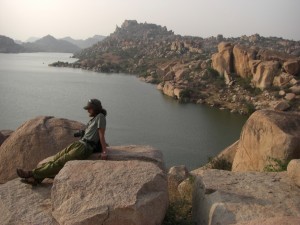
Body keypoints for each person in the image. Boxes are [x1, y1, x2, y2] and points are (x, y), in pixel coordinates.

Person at [16, 99, 108, 185]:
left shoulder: (100, 117)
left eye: (90, 109)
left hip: (84, 147)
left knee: (59, 163)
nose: (88, 111)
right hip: (78, 144)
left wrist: (104, 151)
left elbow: (101, 135)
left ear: (95, 108)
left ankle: (30, 173)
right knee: (54, 159)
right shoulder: (94, 119)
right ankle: (36, 179)